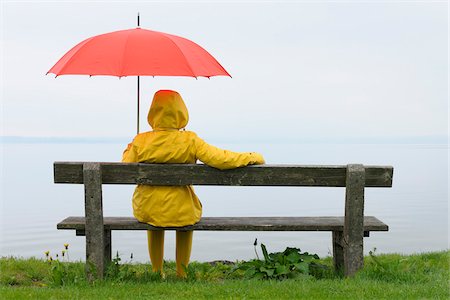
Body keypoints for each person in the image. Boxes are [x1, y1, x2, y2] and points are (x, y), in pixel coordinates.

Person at [122, 90, 265, 277]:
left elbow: (125, 165)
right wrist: (252, 157)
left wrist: (132, 146)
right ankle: (183, 272)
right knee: (185, 215)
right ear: (181, 112)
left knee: (154, 219)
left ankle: (157, 271)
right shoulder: (190, 139)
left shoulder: (141, 140)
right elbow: (221, 159)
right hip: (182, 209)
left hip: (148, 208)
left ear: (152, 112)